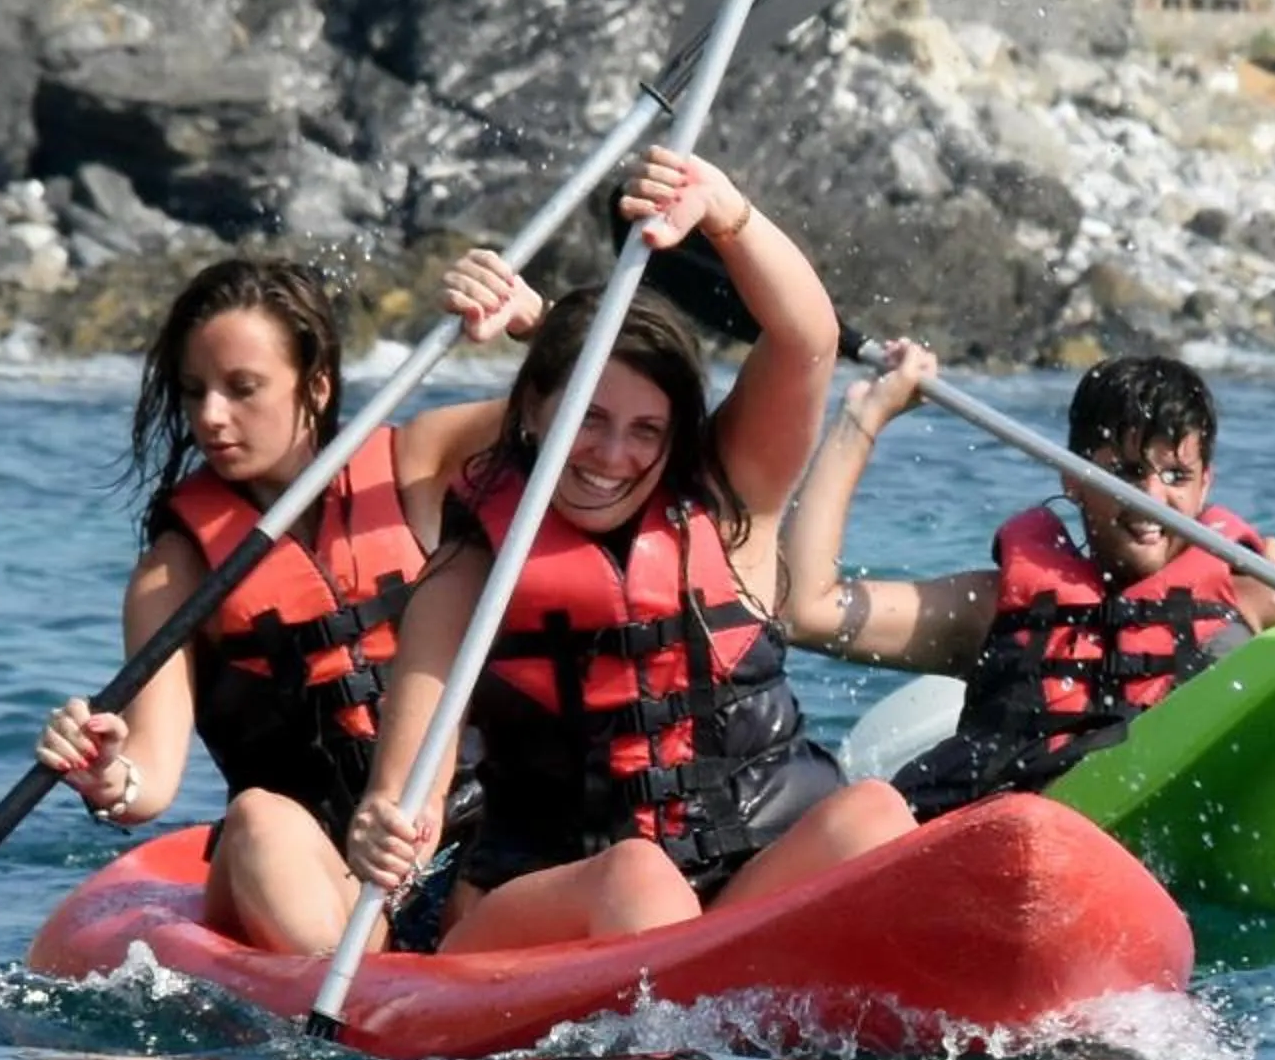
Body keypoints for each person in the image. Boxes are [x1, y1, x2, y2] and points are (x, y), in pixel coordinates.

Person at [345, 149, 913, 951]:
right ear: (534, 410)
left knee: (876, 815)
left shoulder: (730, 505)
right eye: (589, 420)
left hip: (744, 885)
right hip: (548, 905)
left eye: (646, 430)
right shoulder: (473, 568)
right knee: (640, 879)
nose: (612, 456)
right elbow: (406, 791)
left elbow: (805, 339)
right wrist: (385, 825)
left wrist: (727, 213)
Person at [33, 252, 526, 954]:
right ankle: (362, 1005)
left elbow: (597, 399)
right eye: (194, 389)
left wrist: (528, 323)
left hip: (466, 846)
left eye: (243, 388)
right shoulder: (175, 574)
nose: (211, 416)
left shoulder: (416, 465)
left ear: (316, 386)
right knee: (259, 818)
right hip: (312, 869)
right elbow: (148, 782)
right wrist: (105, 774)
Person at [781, 344, 1275, 819]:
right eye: (1128, 473)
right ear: (1074, 477)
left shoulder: (1259, 602)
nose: (1153, 501)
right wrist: (862, 419)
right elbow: (804, 610)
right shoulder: (992, 608)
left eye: (1176, 476)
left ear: (1205, 485)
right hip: (1001, 845)